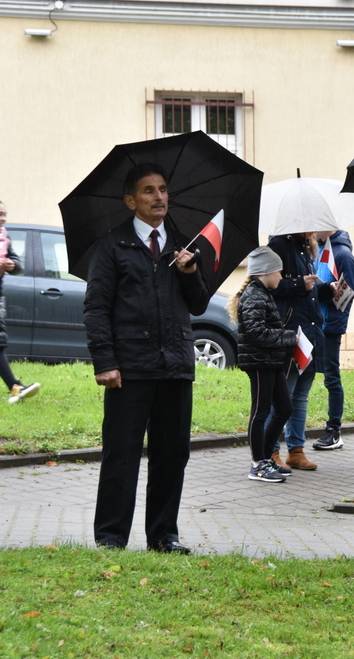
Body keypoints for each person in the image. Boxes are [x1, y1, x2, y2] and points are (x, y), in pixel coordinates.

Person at [84, 163, 211, 553]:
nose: (159, 197)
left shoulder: (183, 246)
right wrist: (105, 362)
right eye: (149, 191)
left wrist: (190, 271)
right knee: (121, 454)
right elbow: (96, 308)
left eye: (163, 190)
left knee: (172, 456)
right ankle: (110, 537)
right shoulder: (112, 246)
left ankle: (163, 535)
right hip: (130, 368)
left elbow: (199, 303)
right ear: (130, 201)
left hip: (175, 366)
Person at [229, 246, 298, 483]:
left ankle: (267, 456)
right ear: (266, 272)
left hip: (270, 360)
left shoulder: (262, 293)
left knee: (285, 408)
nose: (281, 277)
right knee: (260, 412)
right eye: (279, 272)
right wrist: (290, 337)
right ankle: (257, 464)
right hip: (260, 362)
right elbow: (257, 333)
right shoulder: (255, 295)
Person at [268, 231, 335, 469]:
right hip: (292, 333)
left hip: (310, 332)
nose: (314, 230)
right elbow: (269, 284)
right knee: (282, 396)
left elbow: (310, 292)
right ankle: (270, 451)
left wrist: (327, 289)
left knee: (300, 396)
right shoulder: (278, 244)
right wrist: (299, 283)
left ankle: (296, 449)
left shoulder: (305, 247)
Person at [0, 198, 40, 403]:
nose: (3, 218)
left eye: (5, 215)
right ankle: (15, 387)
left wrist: (11, 265)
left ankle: (14, 387)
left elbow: (18, 265)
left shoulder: (3, 238)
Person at [316, 230, 354, 451]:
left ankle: (334, 430)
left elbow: (345, 295)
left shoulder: (342, 255)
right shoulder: (318, 248)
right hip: (313, 324)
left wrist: (320, 291)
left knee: (331, 378)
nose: (313, 229)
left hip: (328, 327)